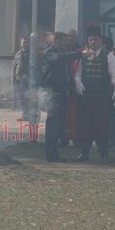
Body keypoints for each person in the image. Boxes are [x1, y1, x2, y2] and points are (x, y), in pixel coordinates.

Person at [73, 24, 115, 162]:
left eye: (95, 39)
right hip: (87, 96)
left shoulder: (108, 55)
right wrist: (78, 83)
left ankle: (104, 153)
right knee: (85, 124)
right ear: (88, 41)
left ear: (100, 41)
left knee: (102, 124)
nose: (93, 42)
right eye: (91, 40)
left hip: (102, 96)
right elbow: (78, 73)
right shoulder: (83, 55)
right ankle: (84, 152)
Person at [41, 32, 82, 162]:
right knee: (53, 124)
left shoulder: (61, 53)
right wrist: (78, 54)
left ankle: (54, 154)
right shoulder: (51, 52)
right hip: (53, 92)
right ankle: (51, 154)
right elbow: (57, 58)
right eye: (64, 40)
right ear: (57, 41)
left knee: (58, 125)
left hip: (61, 92)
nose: (67, 42)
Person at [12, 38, 30, 113]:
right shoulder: (18, 54)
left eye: (26, 42)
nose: (24, 44)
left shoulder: (32, 53)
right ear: (21, 44)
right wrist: (13, 78)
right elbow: (14, 66)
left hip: (28, 77)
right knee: (21, 96)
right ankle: (24, 113)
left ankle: (29, 113)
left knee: (28, 96)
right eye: (23, 42)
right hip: (19, 77)